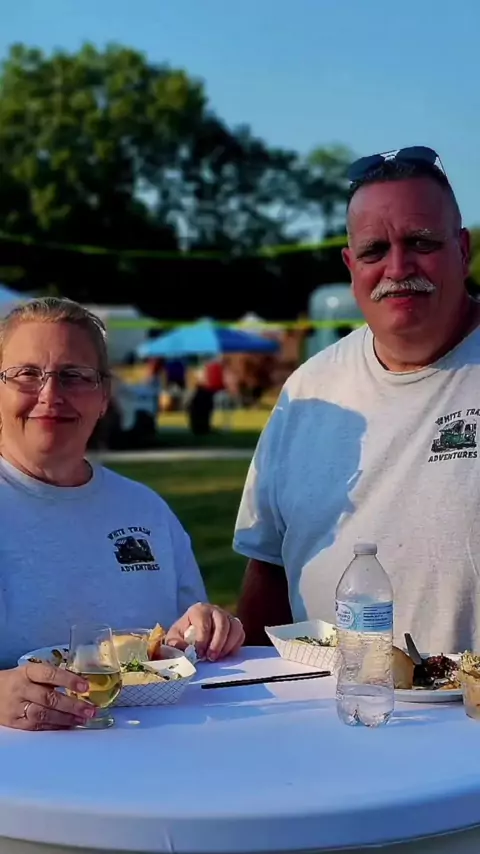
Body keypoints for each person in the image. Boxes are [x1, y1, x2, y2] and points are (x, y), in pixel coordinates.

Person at [233, 146, 480, 655]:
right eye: (374, 251)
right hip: (328, 700)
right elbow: (269, 568)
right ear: (351, 265)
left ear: (463, 249)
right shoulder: (308, 390)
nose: (398, 267)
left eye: (421, 241)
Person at [0, 297, 244, 730]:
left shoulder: (145, 510)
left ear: (103, 396)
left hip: (148, 756)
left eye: (74, 376)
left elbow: (177, 649)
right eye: (27, 374)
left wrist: (204, 627)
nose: (50, 395)